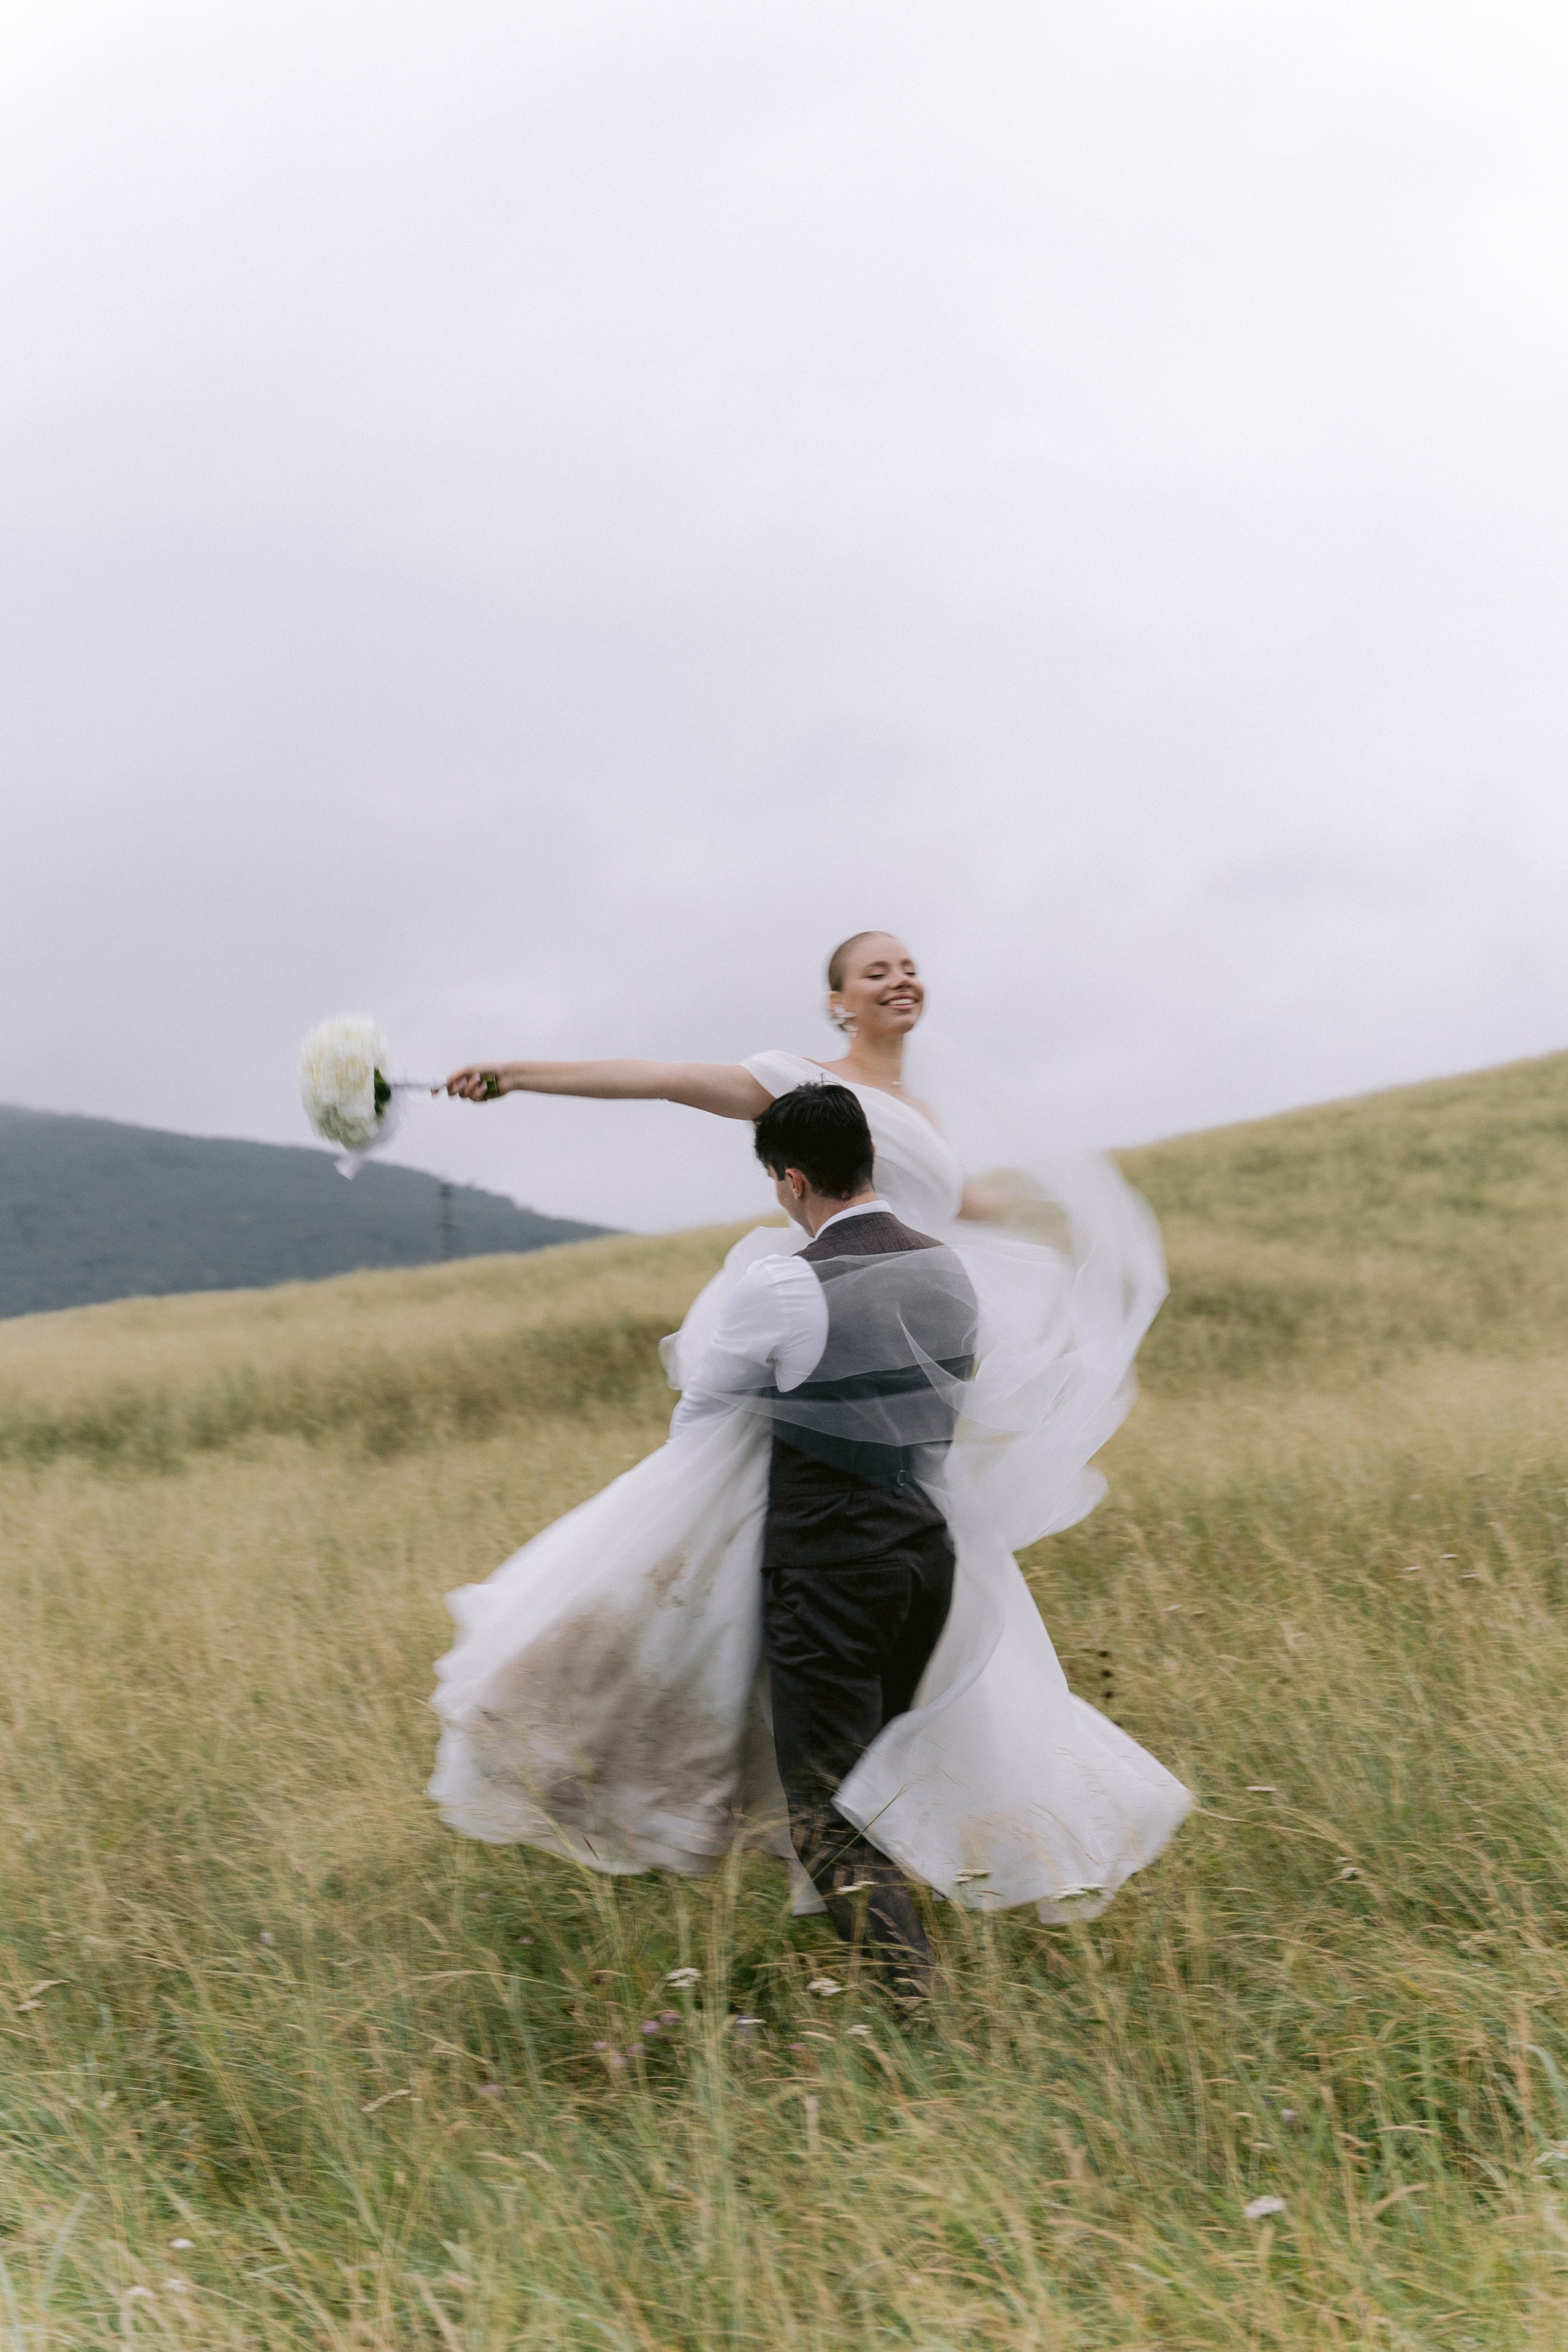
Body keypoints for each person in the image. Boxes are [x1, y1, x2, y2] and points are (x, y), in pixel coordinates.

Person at [428, 932, 1191, 1955]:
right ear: (835, 1003)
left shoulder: (920, 1119)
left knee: (850, 1631)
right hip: (839, 1355)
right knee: (751, 1591)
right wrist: (517, 1074)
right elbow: (658, 1079)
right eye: (874, 970)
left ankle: (848, 1858)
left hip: (892, 1360)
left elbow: (938, 1202)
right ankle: (822, 1834)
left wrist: (990, 1208)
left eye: (909, 965)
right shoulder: (801, 1090)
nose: (900, 978)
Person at [670, 1080, 978, 1988]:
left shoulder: (784, 1280)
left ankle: (921, 2015)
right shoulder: (950, 1268)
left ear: (793, 1180)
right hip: (926, 1561)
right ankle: (910, 1957)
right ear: (870, 1160)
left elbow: (701, 1416)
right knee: (883, 1781)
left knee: (824, 1814)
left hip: (830, 1571)